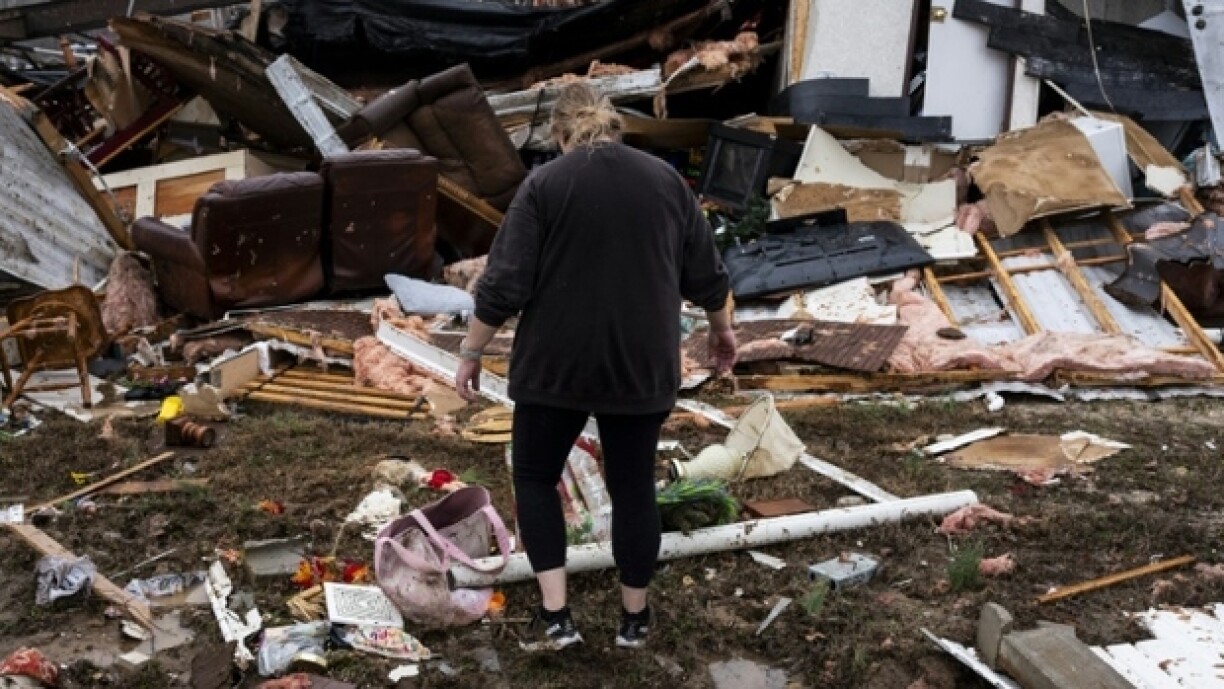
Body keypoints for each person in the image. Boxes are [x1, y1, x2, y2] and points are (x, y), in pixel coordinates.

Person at [454, 82, 737, 652]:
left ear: (559, 134)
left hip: (556, 362)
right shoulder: (666, 182)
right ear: (614, 127)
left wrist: (471, 351)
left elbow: (505, 283)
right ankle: (635, 619)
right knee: (632, 487)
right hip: (642, 361)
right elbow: (707, 273)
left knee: (536, 476)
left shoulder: (545, 184)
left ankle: (556, 617)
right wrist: (722, 330)